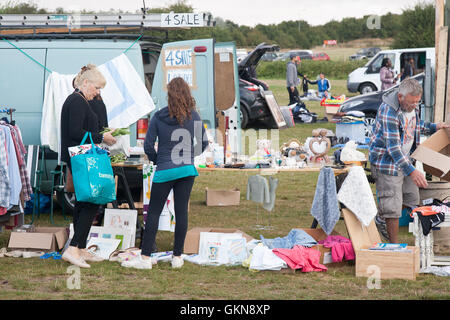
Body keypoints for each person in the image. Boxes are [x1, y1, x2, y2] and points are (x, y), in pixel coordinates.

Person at [122, 77, 209, 270]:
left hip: (165, 169)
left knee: (153, 212)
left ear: (169, 96)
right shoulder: (193, 116)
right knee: (181, 213)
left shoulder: (159, 116)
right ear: (188, 94)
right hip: (187, 169)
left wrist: (156, 159)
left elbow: (147, 145)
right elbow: (203, 143)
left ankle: (145, 258)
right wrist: (189, 156)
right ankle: (177, 257)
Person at [369, 78, 449, 243]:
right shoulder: (388, 110)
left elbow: (414, 124)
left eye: (417, 102)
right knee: (392, 205)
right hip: (387, 163)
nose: (415, 106)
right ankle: (394, 246)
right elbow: (393, 149)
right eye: (412, 102)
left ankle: (381, 218)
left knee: (411, 199)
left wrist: (434, 126)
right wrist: (412, 172)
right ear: (400, 97)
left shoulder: (411, 104)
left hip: (406, 160)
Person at [60, 64, 116, 268]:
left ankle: (80, 247)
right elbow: (75, 131)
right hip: (81, 158)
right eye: (97, 88)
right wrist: (102, 137)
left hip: (81, 157)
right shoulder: (77, 101)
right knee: (92, 200)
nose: (98, 92)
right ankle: (74, 248)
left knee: (85, 201)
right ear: (86, 83)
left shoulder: (79, 100)